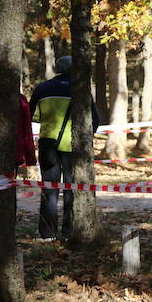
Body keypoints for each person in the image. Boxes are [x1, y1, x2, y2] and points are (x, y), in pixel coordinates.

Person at [29, 56, 100, 241]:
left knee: (49, 189)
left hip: (48, 144)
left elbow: (32, 116)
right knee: (71, 190)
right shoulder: (80, 89)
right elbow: (96, 119)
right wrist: (86, 138)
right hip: (73, 147)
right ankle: (68, 231)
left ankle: (47, 233)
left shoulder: (42, 89)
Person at [16, 92, 37, 176]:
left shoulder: (21, 100)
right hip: (14, 152)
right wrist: (30, 158)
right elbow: (27, 129)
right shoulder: (20, 99)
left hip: (14, 153)